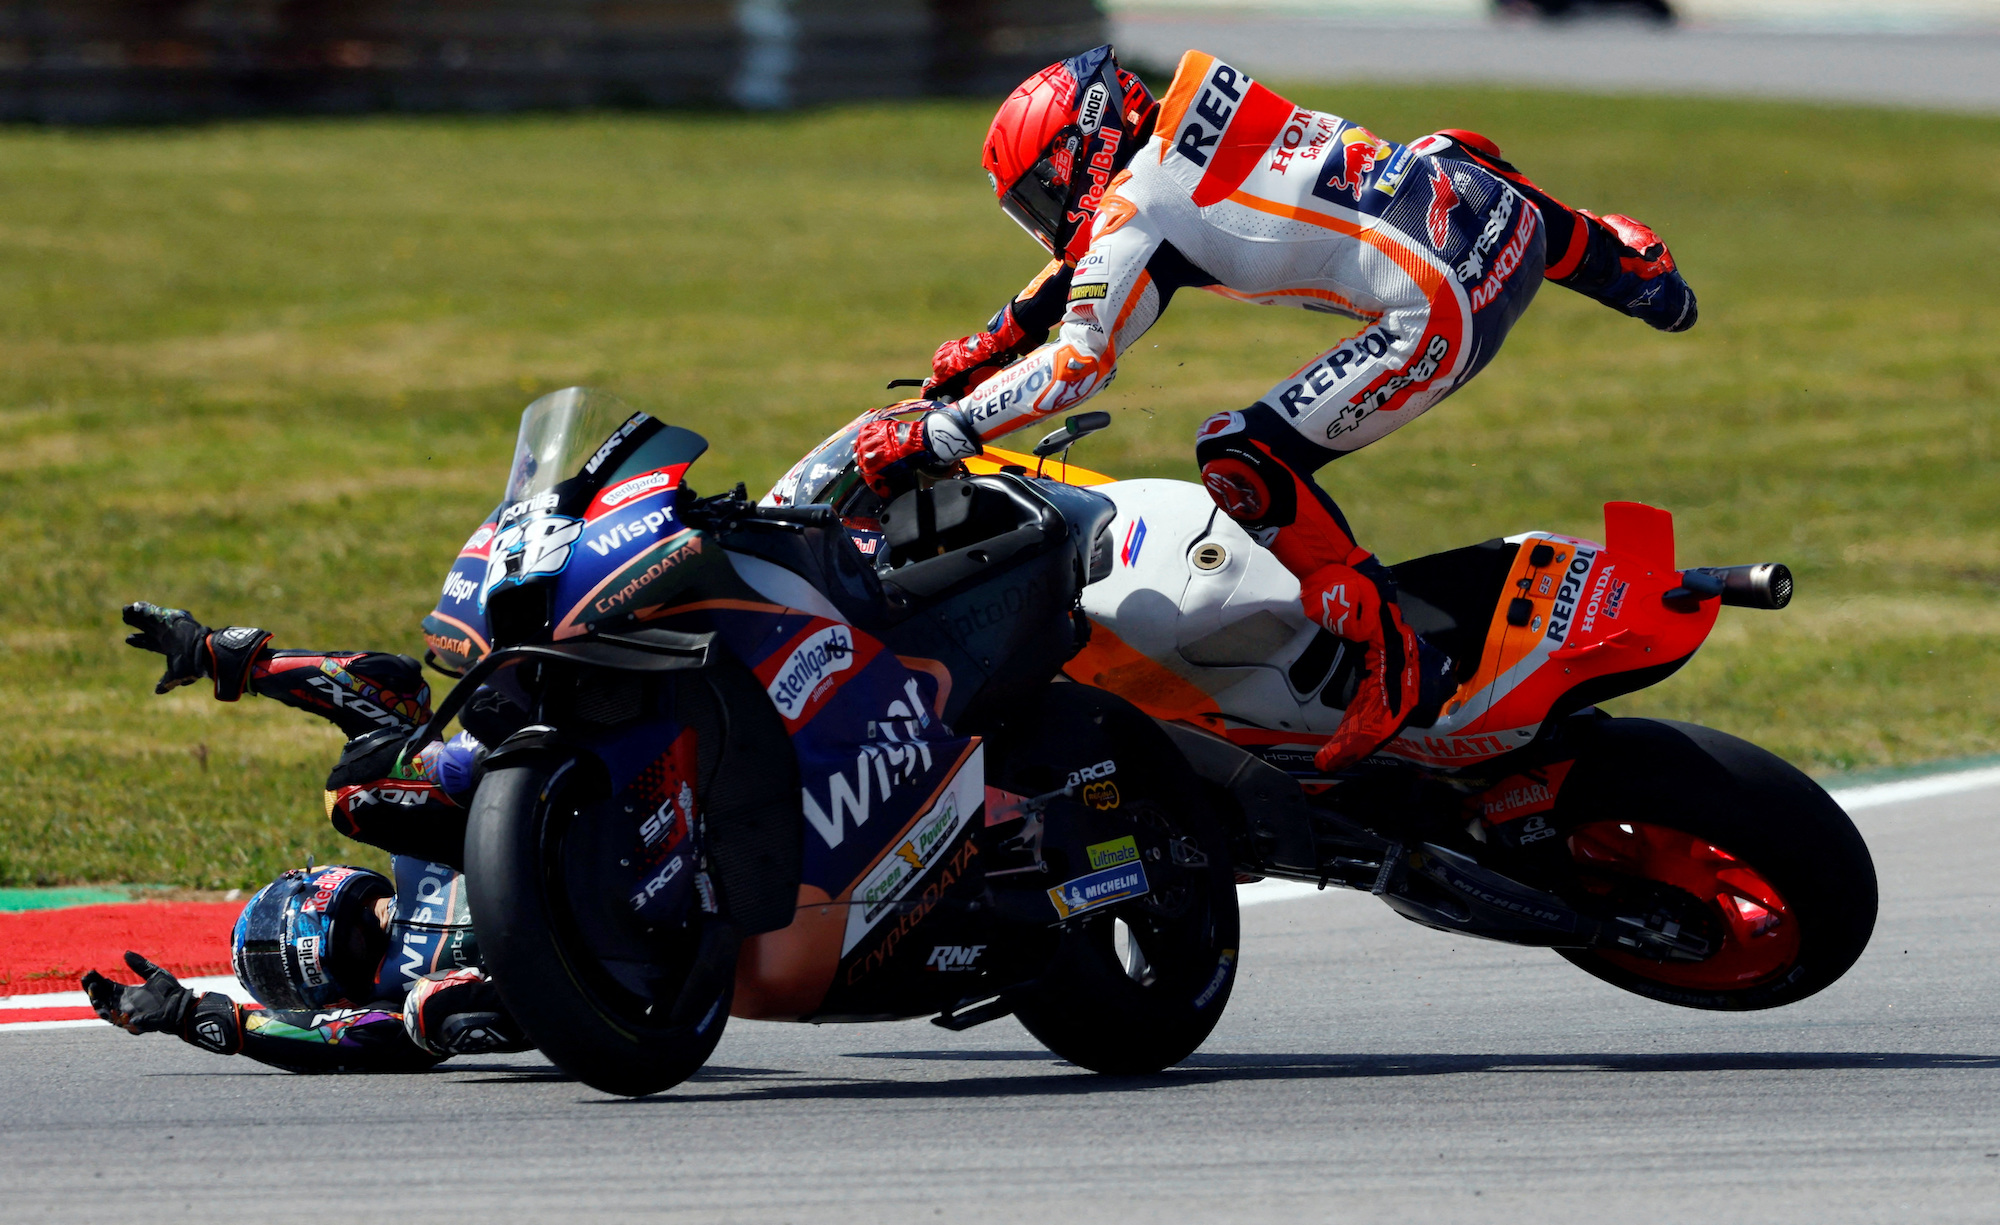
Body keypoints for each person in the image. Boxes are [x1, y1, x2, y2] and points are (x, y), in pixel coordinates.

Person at [858, 45, 1697, 774]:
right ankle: (1626, 265)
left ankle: (1393, 662)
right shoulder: (1202, 100)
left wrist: (949, 427)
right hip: (1507, 222)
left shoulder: (1137, 210)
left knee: (1240, 453)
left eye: (1043, 193)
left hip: (1444, 308)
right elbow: (1099, 258)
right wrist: (997, 334)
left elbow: (1081, 357)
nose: (1046, 218)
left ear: (1083, 148)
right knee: (1447, 154)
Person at [81, 602, 530, 1073]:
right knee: (431, 1012)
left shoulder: (410, 843)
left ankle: (552, 745)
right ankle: (579, 993)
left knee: (363, 790)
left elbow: (393, 687)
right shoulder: (394, 1002)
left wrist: (221, 656)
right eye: (276, 979)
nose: (280, 961)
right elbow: (345, 1042)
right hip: (566, 969)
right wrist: (189, 1014)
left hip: (558, 826)